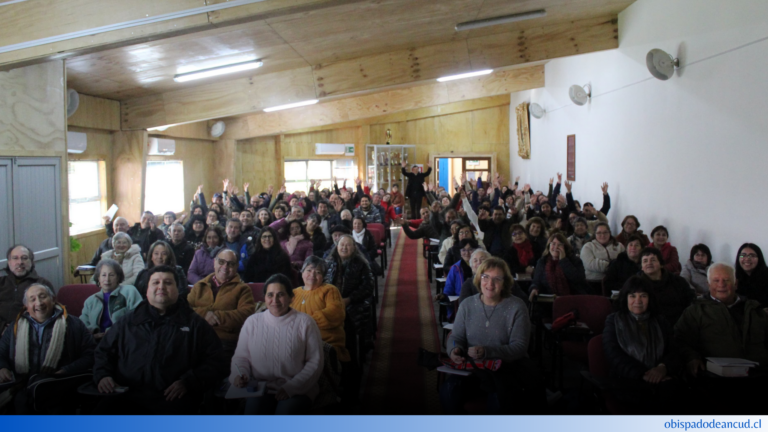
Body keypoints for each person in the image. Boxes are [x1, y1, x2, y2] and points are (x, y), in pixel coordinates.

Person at [93, 265, 229, 415]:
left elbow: (217, 361)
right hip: (126, 395)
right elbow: (103, 352)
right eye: (155, 282)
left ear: (178, 289)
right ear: (147, 289)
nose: (161, 287)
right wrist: (103, 376)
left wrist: (189, 382)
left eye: (168, 283)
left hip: (173, 398)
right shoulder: (129, 322)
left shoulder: (194, 324)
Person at [442, 258, 544, 414]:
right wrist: (454, 350)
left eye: (497, 279)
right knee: (448, 392)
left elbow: (519, 347)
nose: (490, 284)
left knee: (498, 404)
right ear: (479, 279)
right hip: (473, 369)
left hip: (506, 370)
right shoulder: (467, 304)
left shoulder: (516, 307)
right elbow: (456, 337)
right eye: (486, 277)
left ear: (505, 283)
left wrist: (487, 352)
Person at [674, 263, 768, 414]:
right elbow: (680, 339)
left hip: (758, 377)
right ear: (708, 284)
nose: (722, 285)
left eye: (727, 280)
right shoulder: (696, 311)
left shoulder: (755, 310)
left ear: (735, 283)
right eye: (716, 281)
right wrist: (691, 357)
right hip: (716, 381)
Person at [231, 273, 323, 414]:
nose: (275, 300)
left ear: (291, 298)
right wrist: (240, 374)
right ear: (264, 298)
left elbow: (315, 362)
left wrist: (292, 387)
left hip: (297, 388)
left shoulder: (305, 323)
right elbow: (241, 357)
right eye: (270, 295)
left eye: (280, 295)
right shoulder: (252, 322)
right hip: (261, 387)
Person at [0, 284, 96, 414]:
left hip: (57, 388)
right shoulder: (14, 328)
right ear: (26, 307)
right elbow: (1, 353)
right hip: (21, 387)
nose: (38, 303)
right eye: (32, 299)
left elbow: (90, 354)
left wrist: (66, 370)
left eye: (42, 297)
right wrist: (3, 367)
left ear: (53, 299)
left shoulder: (73, 324)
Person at [602, 276, 682, 413]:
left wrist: (663, 368)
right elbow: (613, 354)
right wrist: (643, 374)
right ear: (625, 298)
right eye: (632, 296)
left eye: (643, 296)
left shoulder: (660, 321)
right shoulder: (613, 321)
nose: (637, 301)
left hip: (660, 378)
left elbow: (673, 350)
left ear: (650, 298)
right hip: (627, 379)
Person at [324, 235, 374, 404]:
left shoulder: (361, 264)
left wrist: (349, 300)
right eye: (341, 245)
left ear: (354, 248)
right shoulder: (329, 263)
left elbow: (368, 287)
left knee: (350, 344)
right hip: (332, 307)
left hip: (353, 306)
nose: (344, 247)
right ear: (336, 247)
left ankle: (351, 379)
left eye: (348, 245)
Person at [188, 249, 255, 361]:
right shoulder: (199, 286)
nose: (225, 266)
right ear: (214, 262)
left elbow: (246, 315)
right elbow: (185, 310)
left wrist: (216, 317)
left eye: (231, 264)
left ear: (237, 266)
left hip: (224, 342)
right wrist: (204, 315)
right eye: (221, 262)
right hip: (195, 338)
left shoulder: (243, 289)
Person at [291, 256, 349, 362]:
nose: (312, 275)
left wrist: (305, 323)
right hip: (297, 343)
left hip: (325, 343)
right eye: (309, 270)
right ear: (302, 272)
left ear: (323, 276)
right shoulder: (293, 293)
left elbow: (336, 313)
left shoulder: (330, 290)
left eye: (318, 272)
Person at [80, 259, 142, 339]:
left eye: (111, 275)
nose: (107, 279)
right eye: (103, 275)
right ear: (98, 278)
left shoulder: (129, 291)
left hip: (122, 340)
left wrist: (113, 332)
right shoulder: (90, 301)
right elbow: (82, 325)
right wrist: (93, 336)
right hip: (96, 342)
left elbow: (138, 317)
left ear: (118, 277)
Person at [0, 245, 54, 334]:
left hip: (27, 333)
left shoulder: (42, 284)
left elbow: (49, 314)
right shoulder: (1, 282)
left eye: (24, 258)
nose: (20, 262)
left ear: (31, 262)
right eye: (15, 258)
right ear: (9, 262)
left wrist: (19, 329)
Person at [638, 247, 694, 325]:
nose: (649, 263)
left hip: (679, 323)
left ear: (661, 264)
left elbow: (690, 302)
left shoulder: (678, 281)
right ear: (641, 267)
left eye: (653, 260)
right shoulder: (636, 284)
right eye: (645, 261)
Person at [529, 233, 589, 300]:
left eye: (560, 244)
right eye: (553, 244)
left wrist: (563, 261)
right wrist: (534, 288)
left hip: (572, 299)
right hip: (548, 300)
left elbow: (578, 280)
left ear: (565, 247)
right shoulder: (542, 261)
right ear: (549, 246)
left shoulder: (575, 260)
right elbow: (536, 281)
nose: (556, 247)